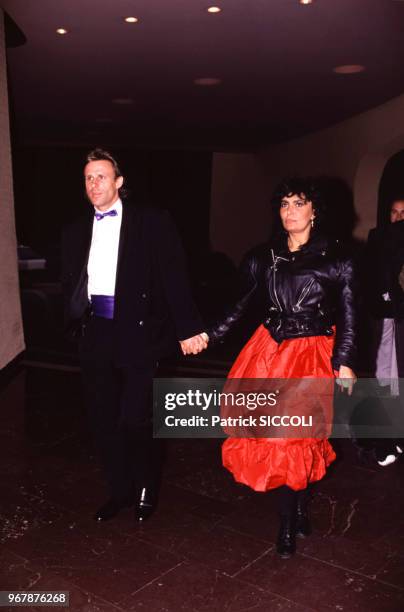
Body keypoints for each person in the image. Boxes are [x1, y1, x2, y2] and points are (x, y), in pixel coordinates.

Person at [207, 177, 357, 558]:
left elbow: (350, 316)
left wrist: (345, 361)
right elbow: (240, 304)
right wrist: (209, 335)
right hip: (269, 349)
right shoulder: (263, 256)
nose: (290, 211)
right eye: (284, 204)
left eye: (298, 203)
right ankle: (295, 510)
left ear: (314, 210)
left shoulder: (337, 258)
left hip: (311, 353)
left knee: (296, 439)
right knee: (275, 438)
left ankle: (290, 522)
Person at [61, 148, 207, 522]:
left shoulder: (152, 222)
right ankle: (119, 491)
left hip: (139, 332)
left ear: (119, 182)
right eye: (88, 178)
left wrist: (188, 327)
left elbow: (175, 275)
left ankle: (145, 486)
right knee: (103, 417)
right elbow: (73, 282)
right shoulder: (76, 229)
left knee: (135, 417)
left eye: (101, 176)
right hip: (96, 332)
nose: (94, 184)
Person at [365, 197, 404, 465]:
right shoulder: (378, 237)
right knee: (383, 376)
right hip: (383, 315)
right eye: (394, 212)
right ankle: (385, 439)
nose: (398, 218)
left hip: (400, 316)